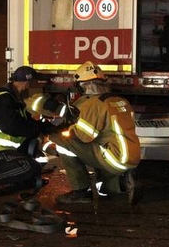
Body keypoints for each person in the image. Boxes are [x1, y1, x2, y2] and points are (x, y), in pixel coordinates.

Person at [48, 61, 141, 204]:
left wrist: (59, 132)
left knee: (63, 143)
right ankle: (121, 183)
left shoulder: (93, 103)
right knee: (102, 188)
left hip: (113, 157)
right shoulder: (120, 100)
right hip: (130, 156)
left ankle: (80, 192)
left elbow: (83, 137)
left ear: (83, 85)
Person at [0, 65, 53, 196]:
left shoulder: (14, 101)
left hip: (6, 150)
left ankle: (21, 181)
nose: (35, 91)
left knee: (40, 159)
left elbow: (28, 122)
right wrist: (36, 131)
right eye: (34, 86)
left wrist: (49, 128)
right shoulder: (3, 99)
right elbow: (11, 126)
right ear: (27, 84)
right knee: (28, 166)